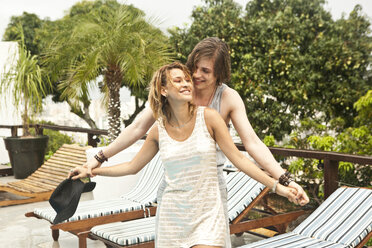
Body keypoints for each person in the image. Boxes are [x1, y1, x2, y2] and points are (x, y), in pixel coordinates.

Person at [70, 62, 298, 248]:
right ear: (163, 90)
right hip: (172, 216)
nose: (187, 84)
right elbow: (132, 166)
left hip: (208, 213)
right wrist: (93, 169)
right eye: (177, 81)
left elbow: (240, 160)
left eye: (187, 79)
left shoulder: (209, 118)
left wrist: (280, 187)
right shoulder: (158, 129)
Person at [83, 37, 309, 206]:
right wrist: (100, 158)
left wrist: (284, 180)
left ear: (219, 74)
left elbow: (251, 144)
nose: (197, 75)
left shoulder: (227, 98)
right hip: (176, 188)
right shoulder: (176, 92)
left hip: (211, 186)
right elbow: (137, 128)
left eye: (206, 71)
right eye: (194, 68)